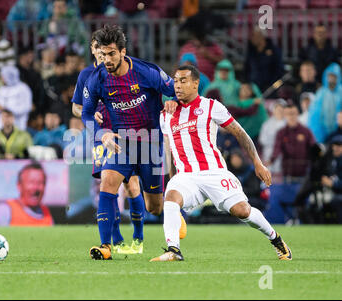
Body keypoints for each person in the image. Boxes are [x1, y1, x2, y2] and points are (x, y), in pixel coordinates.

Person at [150, 64, 291, 262]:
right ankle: (173, 250)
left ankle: (275, 238)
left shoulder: (210, 106)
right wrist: (173, 179)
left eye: (183, 81)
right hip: (186, 176)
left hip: (214, 172)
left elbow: (240, 133)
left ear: (195, 83)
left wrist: (258, 163)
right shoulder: (166, 115)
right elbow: (168, 148)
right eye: (175, 81)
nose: (178, 85)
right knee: (171, 197)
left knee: (242, 211)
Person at [81, 25, 179, 260]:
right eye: (103, 54)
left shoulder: (147, 72)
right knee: (107, 182)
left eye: (112, 53)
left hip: (150, 143)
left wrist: (174, 101)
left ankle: (177, 213)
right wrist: (101, 133)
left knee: (153, 207)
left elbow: (176, 90)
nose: (106, 59)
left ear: (123, 51)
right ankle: (106, 247)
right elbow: (86, 114)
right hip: (120, 142)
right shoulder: (96, 79)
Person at [72, 33, 157, 255]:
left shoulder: (125, 71)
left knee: (132, 186)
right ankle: (114, 241)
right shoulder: (86, 75)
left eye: (107, 52)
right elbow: (77, 108)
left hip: (129, 136)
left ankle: (138, 237)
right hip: (102, 137)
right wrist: (90, 117)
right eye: (99, 51)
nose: (103, 55)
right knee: (108, 184)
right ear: (93, 50)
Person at [0, 162, 54, 226]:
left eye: (40, 183)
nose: (36, 188)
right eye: (31, 182)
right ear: (19, 185)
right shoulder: (5, 210)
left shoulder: (47, 214)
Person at [0, 65, 32, 132]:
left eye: (3, 76)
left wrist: (7, 109)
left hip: (18, 127)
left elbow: (27, 107)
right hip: (0, 128)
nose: (1, 78)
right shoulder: (2, 89)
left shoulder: (23, 88)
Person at [308, 63, 342, 143]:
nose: (331, 80)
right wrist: (318, 133)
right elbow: (314, 115)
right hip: (322, 132)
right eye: (330, 76)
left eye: (334, 77)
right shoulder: (321, 93)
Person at [244, 26, 285, 93]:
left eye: (254, 35)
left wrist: (271, 86)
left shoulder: (274, 51)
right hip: (253, 89)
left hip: (270, 90)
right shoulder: (251, 52)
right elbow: (247, 69)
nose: (252, 38)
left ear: (261, 36)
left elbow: (279, 70)